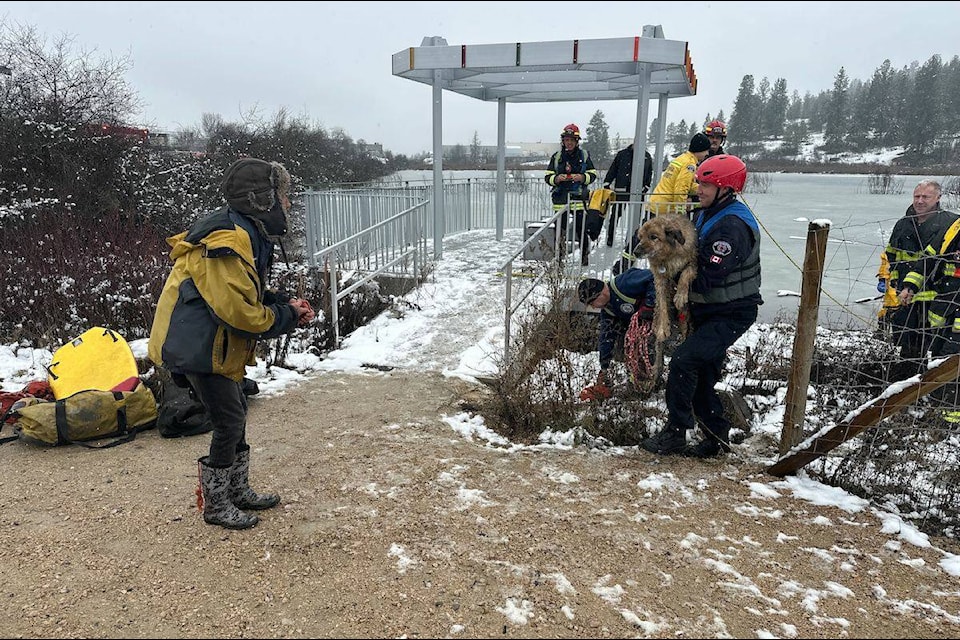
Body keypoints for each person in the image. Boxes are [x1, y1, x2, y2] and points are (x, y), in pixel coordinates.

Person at [148, 157, 315, 530]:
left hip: (210, 343)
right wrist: (286, 317)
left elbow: (246, 290)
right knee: (229, 419)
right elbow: (237, 312)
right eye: (281, 195)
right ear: (261, 199)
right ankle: (217, 505)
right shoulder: (227, 239)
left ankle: (237, 491)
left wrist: (280, 302)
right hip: (198, 348)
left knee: (235, 409)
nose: (286, 203)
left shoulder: (245, 230)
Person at [639, 154, 762, 458]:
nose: (698, 189)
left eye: (705, 184)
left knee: (682, 362)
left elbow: (708, 277)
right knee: (703, 374)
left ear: (726, 188)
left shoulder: (732, 226)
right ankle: (715, 437)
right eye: (699, 183)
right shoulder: (708, 213)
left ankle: (675, 433)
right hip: (709, 312)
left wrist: (666, 270)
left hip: (732, 311)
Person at [883, 180, 958, 381]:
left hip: (937, 295)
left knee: (935, 345)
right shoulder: (902, 224)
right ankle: (903, 387)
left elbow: (942, 261)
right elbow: (892, 255)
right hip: (907, 295)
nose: (920, 201)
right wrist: (897, 283)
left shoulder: (950, 223)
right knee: (907, 343)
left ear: (938, 198)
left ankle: (929, 385)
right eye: (917, 196)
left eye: (926, 197)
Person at [577, 269, 657, 401]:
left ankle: (648, 383)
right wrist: (604, 365)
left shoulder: (625, 283)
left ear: (601, 293)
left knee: (646, 347)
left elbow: (654, 277)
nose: (594, 307)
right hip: (640, 326)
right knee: (625, 346)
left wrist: (649, 305)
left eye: (592, 303)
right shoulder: (608, 310)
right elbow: (606, 336)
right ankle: (636, 382)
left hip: (659, 316)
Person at [544, 123, 598, 246]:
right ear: (563, 141)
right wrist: (556, 179)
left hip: (578, 199)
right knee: (559, 231)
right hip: (560, 199)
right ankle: (559, 258)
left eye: (572, 140)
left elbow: (593, 174)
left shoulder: (584, 156)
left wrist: (583, 177)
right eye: (566, 140)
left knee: (581, 230)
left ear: (577, 141)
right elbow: (548, 176)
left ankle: (584, 257)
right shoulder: (557, 157)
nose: (569, 143)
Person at [646, 133, 712, 215]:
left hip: (656, 204)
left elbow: (686, 185)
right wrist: (680, 211)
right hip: (665, 209)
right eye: (706, 150)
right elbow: (681, 188)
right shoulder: (689, 164)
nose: (707, 154)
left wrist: (703, 188)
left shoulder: (682, 158)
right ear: (700, 149)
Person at [602, 144, 653, 247]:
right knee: (615, 215)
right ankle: (610, 238)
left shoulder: (646, 156)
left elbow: (649, 174)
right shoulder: (622, 155)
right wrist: (607, 183)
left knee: (636, 218)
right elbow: (613, 170)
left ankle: (631, 240)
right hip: (621, 192)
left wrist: (646, 187)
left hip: (638, 193)